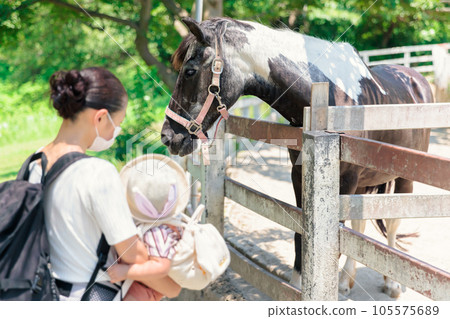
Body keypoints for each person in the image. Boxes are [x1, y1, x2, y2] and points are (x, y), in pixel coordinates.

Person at [27, 67, 181, 300]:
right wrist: (173, 286)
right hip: (91, 295)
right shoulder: (97, 172)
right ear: (100, 117)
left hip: (46, 292)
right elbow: (134, 256)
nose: (116, 132)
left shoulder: (35, 161)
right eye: (117, 123)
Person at [107, 154, 190, 301]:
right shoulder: (159, 226)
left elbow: (161, 266)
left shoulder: (158, 232)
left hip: (145, 291)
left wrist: (127, 271)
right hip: (141, 285)